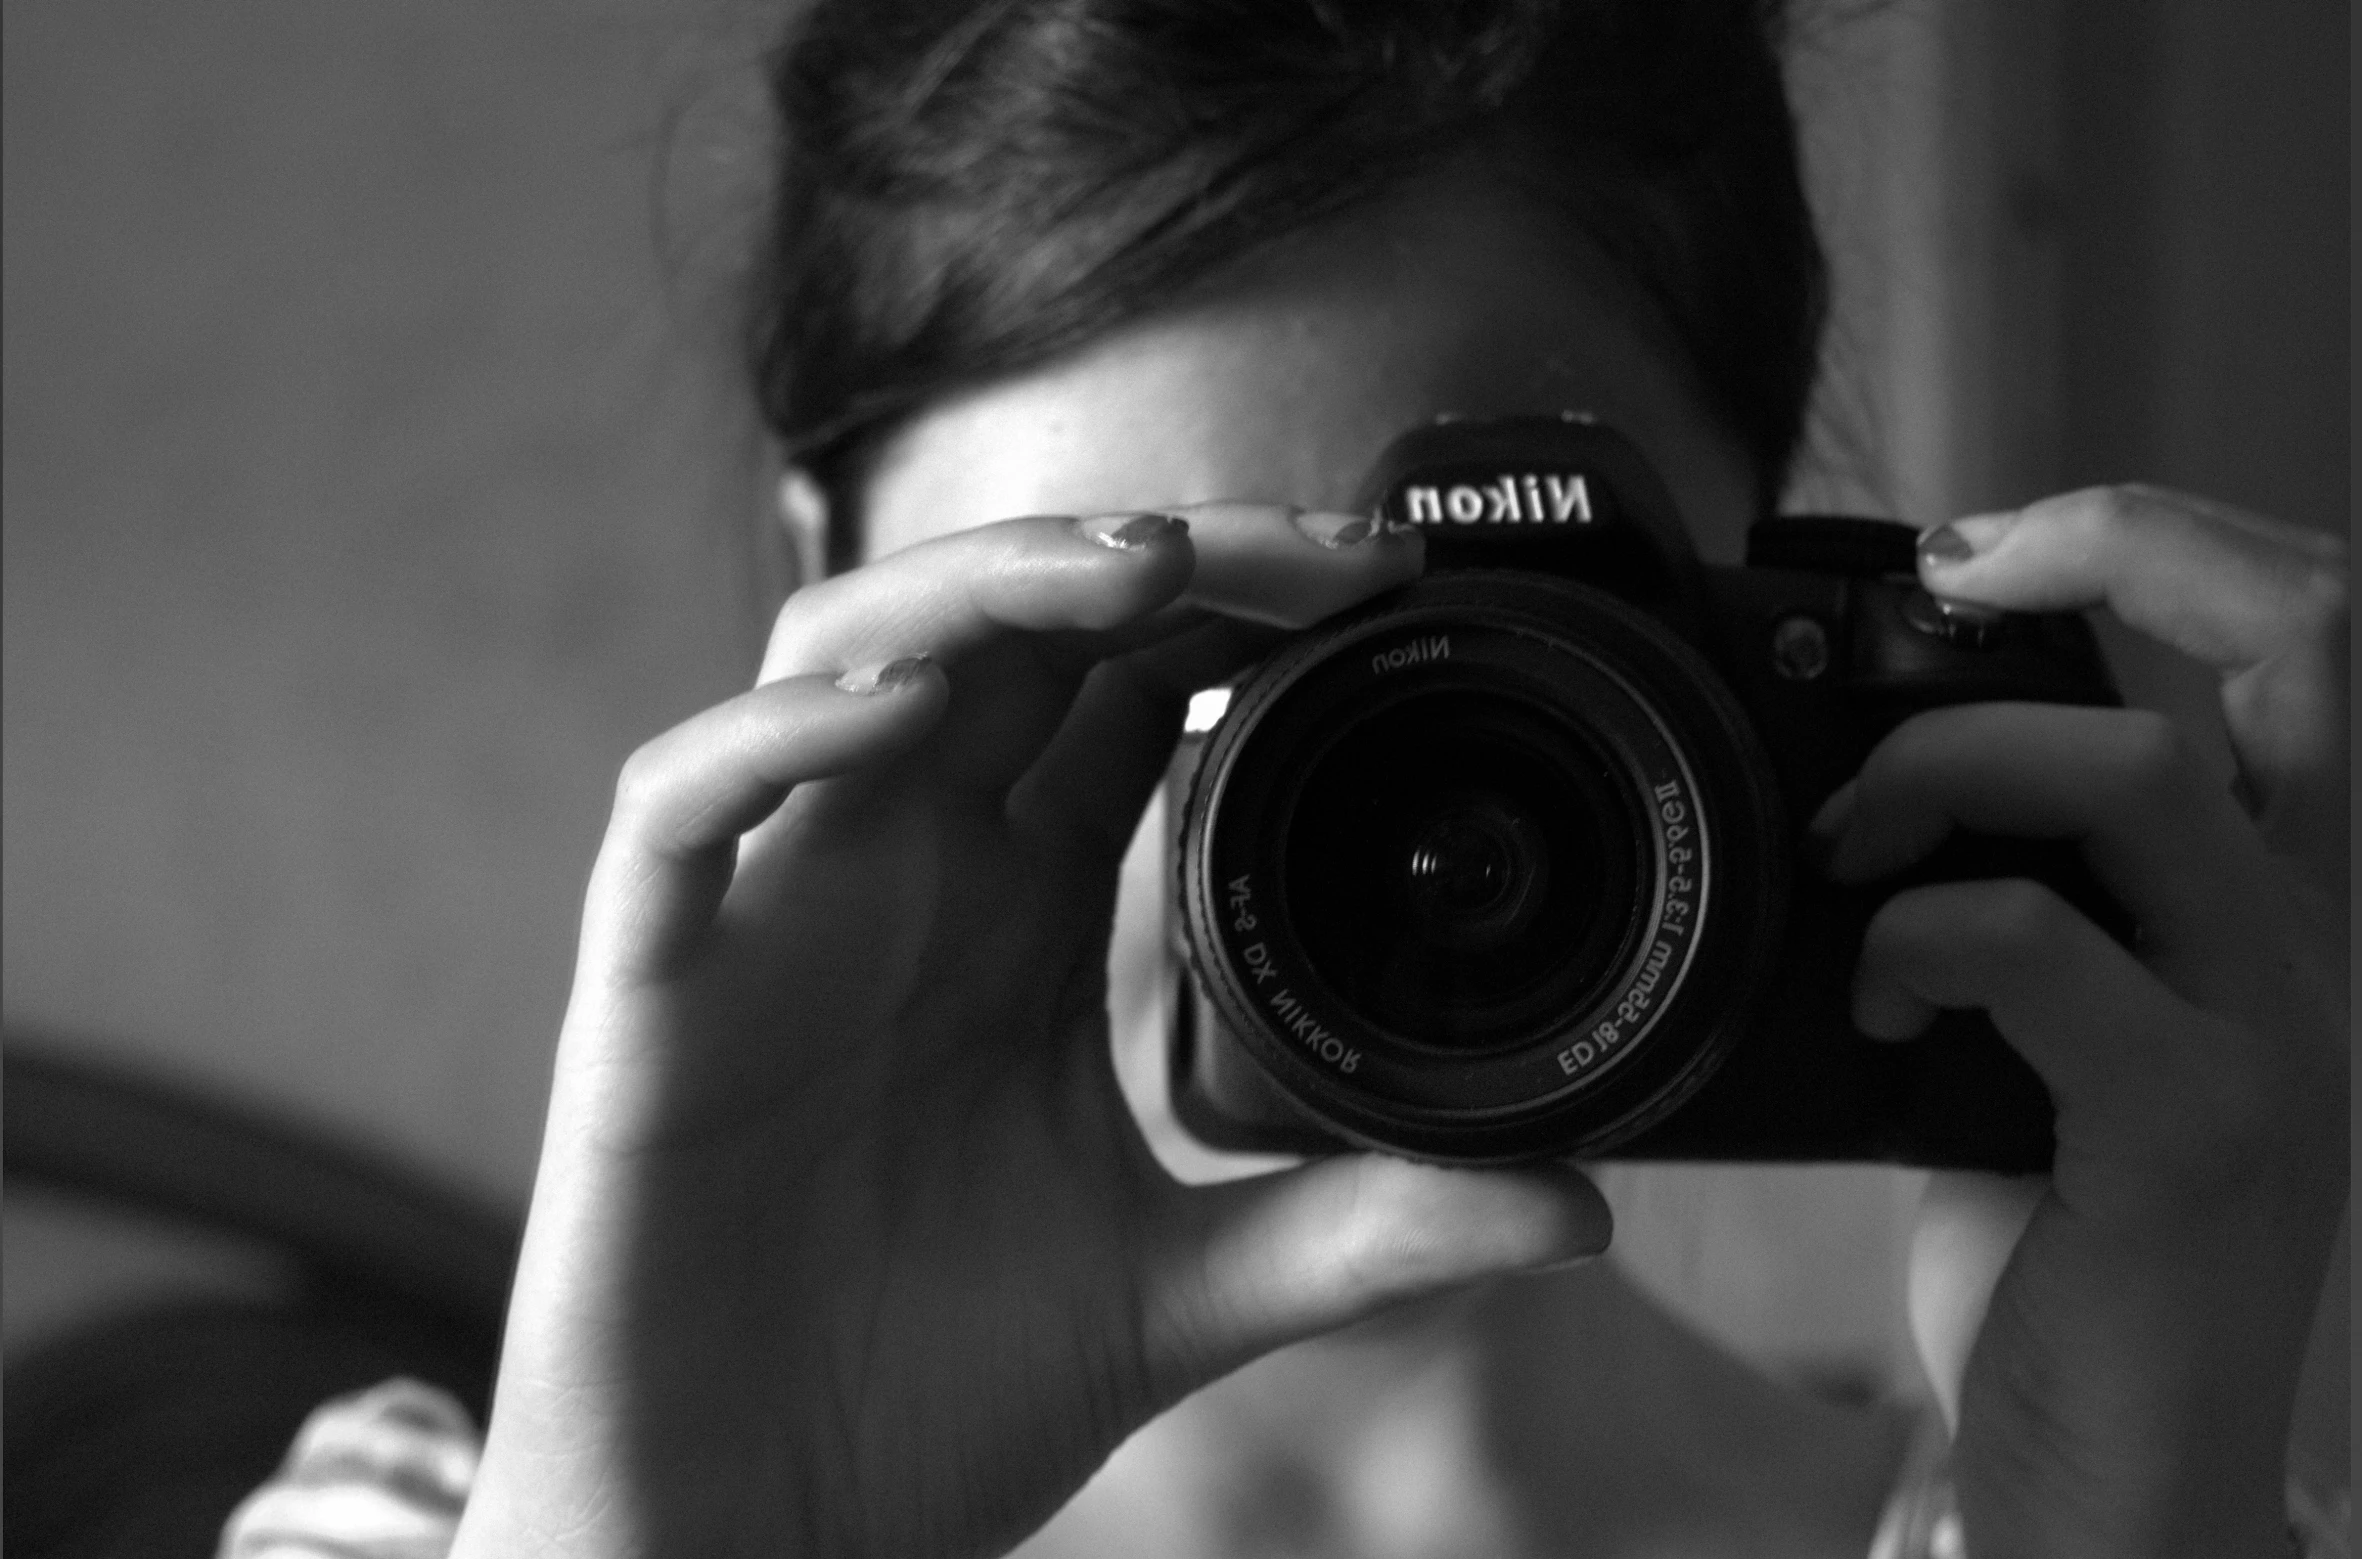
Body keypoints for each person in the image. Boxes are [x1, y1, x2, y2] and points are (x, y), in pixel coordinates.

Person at [222, 2, 2349, 1555]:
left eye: (1451, 654)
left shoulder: (2130, 1509)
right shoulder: (437, 1535)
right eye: (1122, 647)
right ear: (833, 593)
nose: (1251, 822)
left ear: (1730, 604)